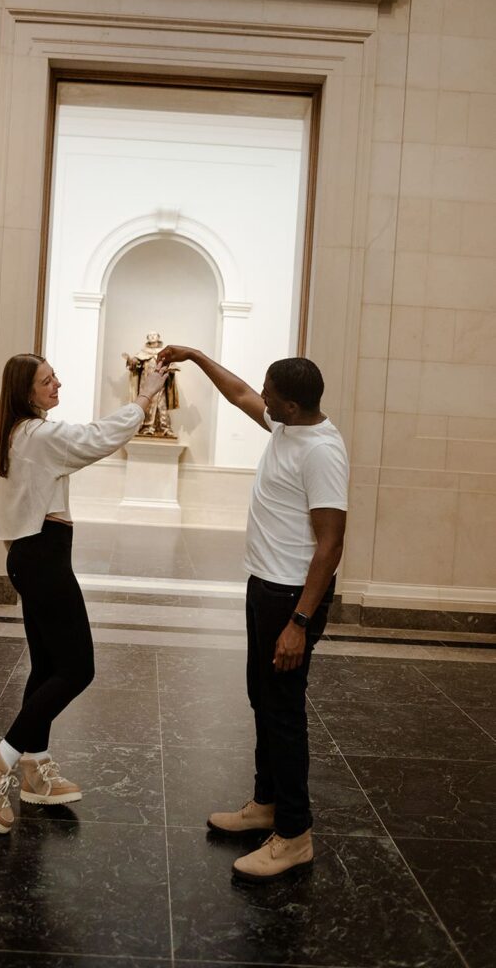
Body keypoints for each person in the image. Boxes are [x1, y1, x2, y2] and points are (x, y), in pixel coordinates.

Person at [156, 346, 348, 882]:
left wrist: (300, 623)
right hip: (265, 589)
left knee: (283, 713)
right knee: (262, 699)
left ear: (291, 404)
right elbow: (239, 393)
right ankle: (266, 804)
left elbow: (330, 546)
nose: (260, 398)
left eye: (271, 394)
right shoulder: (288, 426)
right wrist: (195, 356)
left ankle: (294, 835)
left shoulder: (322, 452)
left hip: (292, 600)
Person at [0, 352, 169, 834]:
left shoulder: (22, 433)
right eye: (46, 380)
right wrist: (144, 397)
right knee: (78, 668)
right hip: (43, 558)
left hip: (33, 556)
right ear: (26, 392)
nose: (57, 384)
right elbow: (96, 439)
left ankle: (35, 767)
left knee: (49, 667)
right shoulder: (39, 435)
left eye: (55, 375)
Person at [123, 331, 179, 437]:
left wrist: (172, 368)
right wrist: (131, 361)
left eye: (155, 335)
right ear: (147, 338)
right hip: (146, 384)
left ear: (158, 337)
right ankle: (147, 427)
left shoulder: (164, 352)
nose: (153, 336)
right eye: (150, 335)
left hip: (160, 385)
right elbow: (135, 365)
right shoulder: (142, 353)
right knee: (147, 405)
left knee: (161, 405)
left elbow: (171, 364)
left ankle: (165, 427)